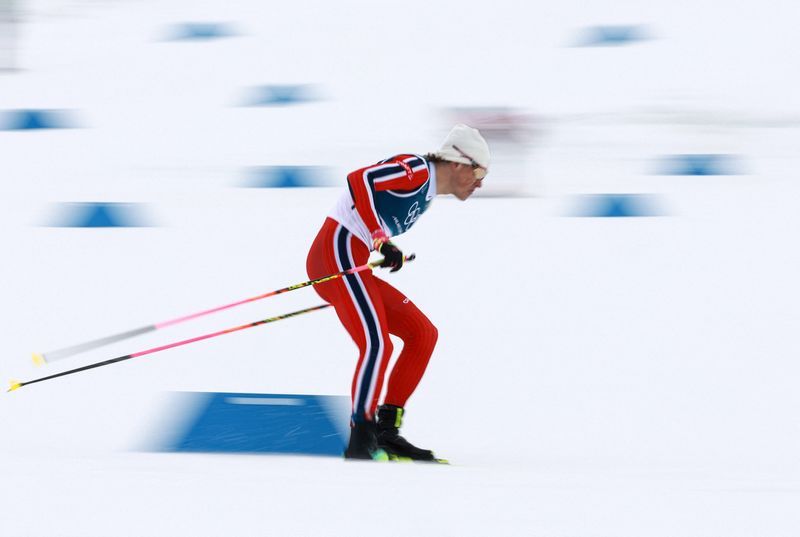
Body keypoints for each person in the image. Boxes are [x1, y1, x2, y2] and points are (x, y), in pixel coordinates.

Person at [306, 124, 489, 461]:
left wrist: (388, 249)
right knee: (377, 344)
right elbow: (360, 179)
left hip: (353, 257)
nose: (480, 183)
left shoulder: (428, 194)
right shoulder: (418, 170)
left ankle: (386, 433)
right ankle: (361, 437)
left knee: (423, 334)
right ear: (458, 163)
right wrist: (380, 239)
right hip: (336, 251)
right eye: (479, 172)